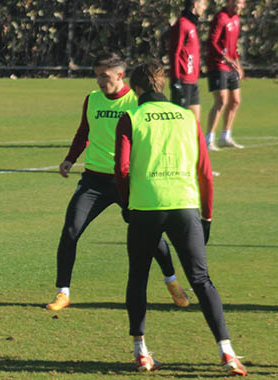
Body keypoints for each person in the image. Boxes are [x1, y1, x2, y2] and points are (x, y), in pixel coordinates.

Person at [113, 61, 246, 376]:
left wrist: (126, 203)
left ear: (135, 89)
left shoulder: (130, 117)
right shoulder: (187, 116)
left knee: (138, 278)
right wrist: (207, 215)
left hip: (146, 207)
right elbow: (204, 172)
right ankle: (227, 352)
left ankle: (141, 351)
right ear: (162, 85)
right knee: (201, 280)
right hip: (185, 207)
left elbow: (121, 168)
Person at [46, 52, 189, 312]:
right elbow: (84, 131)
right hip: (94, 181)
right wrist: (69, 159)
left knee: (152, 235)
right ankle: (63, 292)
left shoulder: (136, 101)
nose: (100, 81)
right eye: (97, 75)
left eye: (105, 76)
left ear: (120, 76)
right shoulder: (92, 99)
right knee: (70, 232)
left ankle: (172, 282)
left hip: (129, 180)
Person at [205, 0, 246, 151]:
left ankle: (225, 136)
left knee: (235, 101)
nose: (240, 6)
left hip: (231, 65)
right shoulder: (220, 18)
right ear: (230, 2)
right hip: (218, 65)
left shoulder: (236, 19)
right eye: (237, 3)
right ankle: (209, 139)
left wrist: (238, 66)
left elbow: (233, 46)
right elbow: (212, 42)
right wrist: (226, 60)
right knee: (221, 100)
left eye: (242, 3)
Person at [169, 0, 209, 120]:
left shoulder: (191, 25)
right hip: (183, 80)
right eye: (203, 5)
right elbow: (174, 52)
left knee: (195, 123)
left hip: (192, 80)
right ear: (195, 5)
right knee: (180, 122)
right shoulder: (182, 24)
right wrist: (176, 79)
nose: (204, 8)